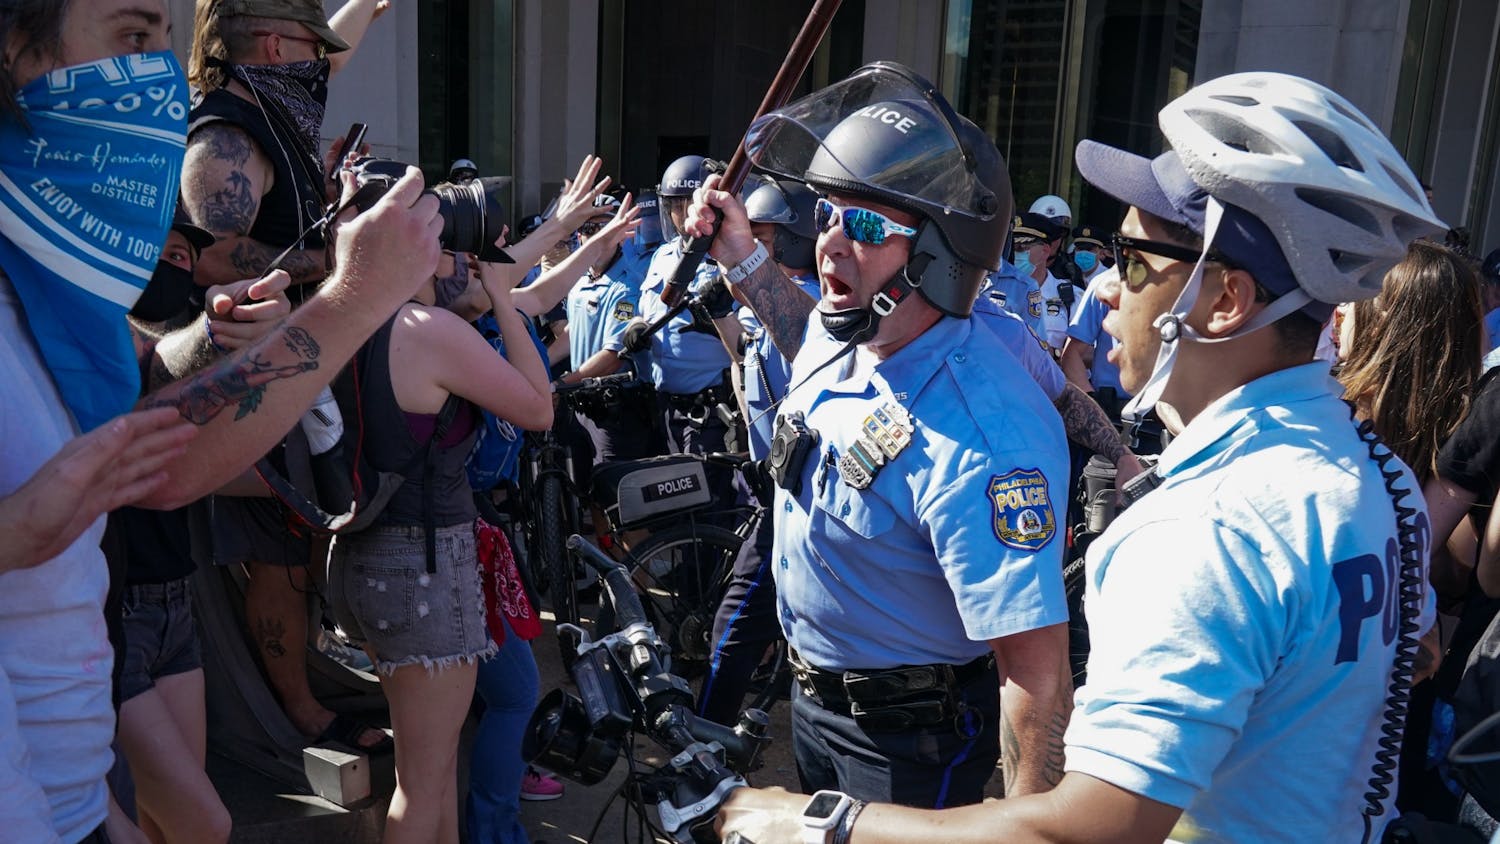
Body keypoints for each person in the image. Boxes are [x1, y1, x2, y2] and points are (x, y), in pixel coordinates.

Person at [715, 69, 1448, 843]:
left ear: (1226, 301)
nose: (1102, 292)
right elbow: (1420, 650)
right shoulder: (1376, 472)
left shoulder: (1201, 530)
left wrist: (806, 821)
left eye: (1132, 261)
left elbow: (1084, 830)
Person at [0, 3, 444, 841]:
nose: (160, 82)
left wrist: (210, 337)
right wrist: (352, 294)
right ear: (17, 50)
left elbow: (149, 438)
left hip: (79, 771)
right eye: (133, 38)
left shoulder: (49, 282)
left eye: (163, 43)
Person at [685, 62, 1072, 807]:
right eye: (826, 214)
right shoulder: (854, 332)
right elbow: (802, 334)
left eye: (863, 226)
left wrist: (1029, 822)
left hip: (910, 743)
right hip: (814, 707)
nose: (828, 243)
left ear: (938, 257)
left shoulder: (987, 439)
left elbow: (1036, 672)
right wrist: (739, 253)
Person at [182, 0, 395, 755]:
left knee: (302, 543)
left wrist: (365, 7)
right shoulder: (225, 137)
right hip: (250, 381)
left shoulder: (273, 103)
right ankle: (298, 710)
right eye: (312, 45)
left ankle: (308, 673)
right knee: (275, 549)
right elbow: (211, 257)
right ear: (275, 46)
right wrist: (341, 259)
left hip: (296, 374)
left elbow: (334, 51)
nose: (323, 63)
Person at [325, 215, 554, 844]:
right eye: (450, 243)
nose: (462, 259)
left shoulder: (348, 316)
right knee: (420, 787)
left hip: (363, 555)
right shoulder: (426, 329)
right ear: (420, 252)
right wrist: (502, 295)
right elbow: (538, 408)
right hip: (424, 568)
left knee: (432, 765)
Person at [1334, 240, 1485, 821]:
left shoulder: (1462, 451)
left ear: (1389, 325)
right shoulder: (1333, 417)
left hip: (1391, 713)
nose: (1338, 309)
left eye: (1356, 295)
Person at [696, 177, 822, 726]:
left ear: (793, 241)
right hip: (770, 480)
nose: (748, 247)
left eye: (761, 239)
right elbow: (747, 359)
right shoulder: (767, 302)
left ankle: (708, 739)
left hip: (798, 494)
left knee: (735, 624)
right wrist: (724, 315)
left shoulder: (811, 307)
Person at [633, 154, 742, 493]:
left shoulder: (727, 260)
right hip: (665, 408)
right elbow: (647, 311)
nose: (681, 214)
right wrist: (635, 328)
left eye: (688, 204)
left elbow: (751, 341)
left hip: (709, 411)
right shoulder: (662, 256)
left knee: (710, 506)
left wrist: (716, 322)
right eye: (674, 206)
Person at [1013, 211, 1074, 354]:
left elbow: (1087, 351)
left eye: (1021, 248)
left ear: (1045, 251)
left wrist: (1055, 353)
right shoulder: (992, 291)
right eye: (1012, 247)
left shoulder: (1071, 296)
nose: (1015, 254)